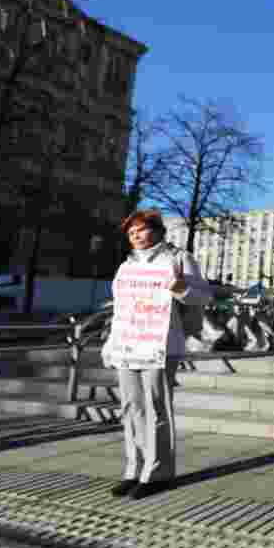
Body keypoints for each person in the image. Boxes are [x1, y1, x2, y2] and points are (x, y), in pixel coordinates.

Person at [105, 209, 211, 500]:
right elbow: (120, 309)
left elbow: (204, 295)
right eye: (130, 232)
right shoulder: (126, 266)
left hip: (160, 345)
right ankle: (134, 469)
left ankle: (158, 472)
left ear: (158, 230)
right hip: (127, 345)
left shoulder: (177, 258)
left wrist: (181, 288)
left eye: (140, 229)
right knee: (131, 408)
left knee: (156, 409)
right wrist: (110, 344)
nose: (135, 236)